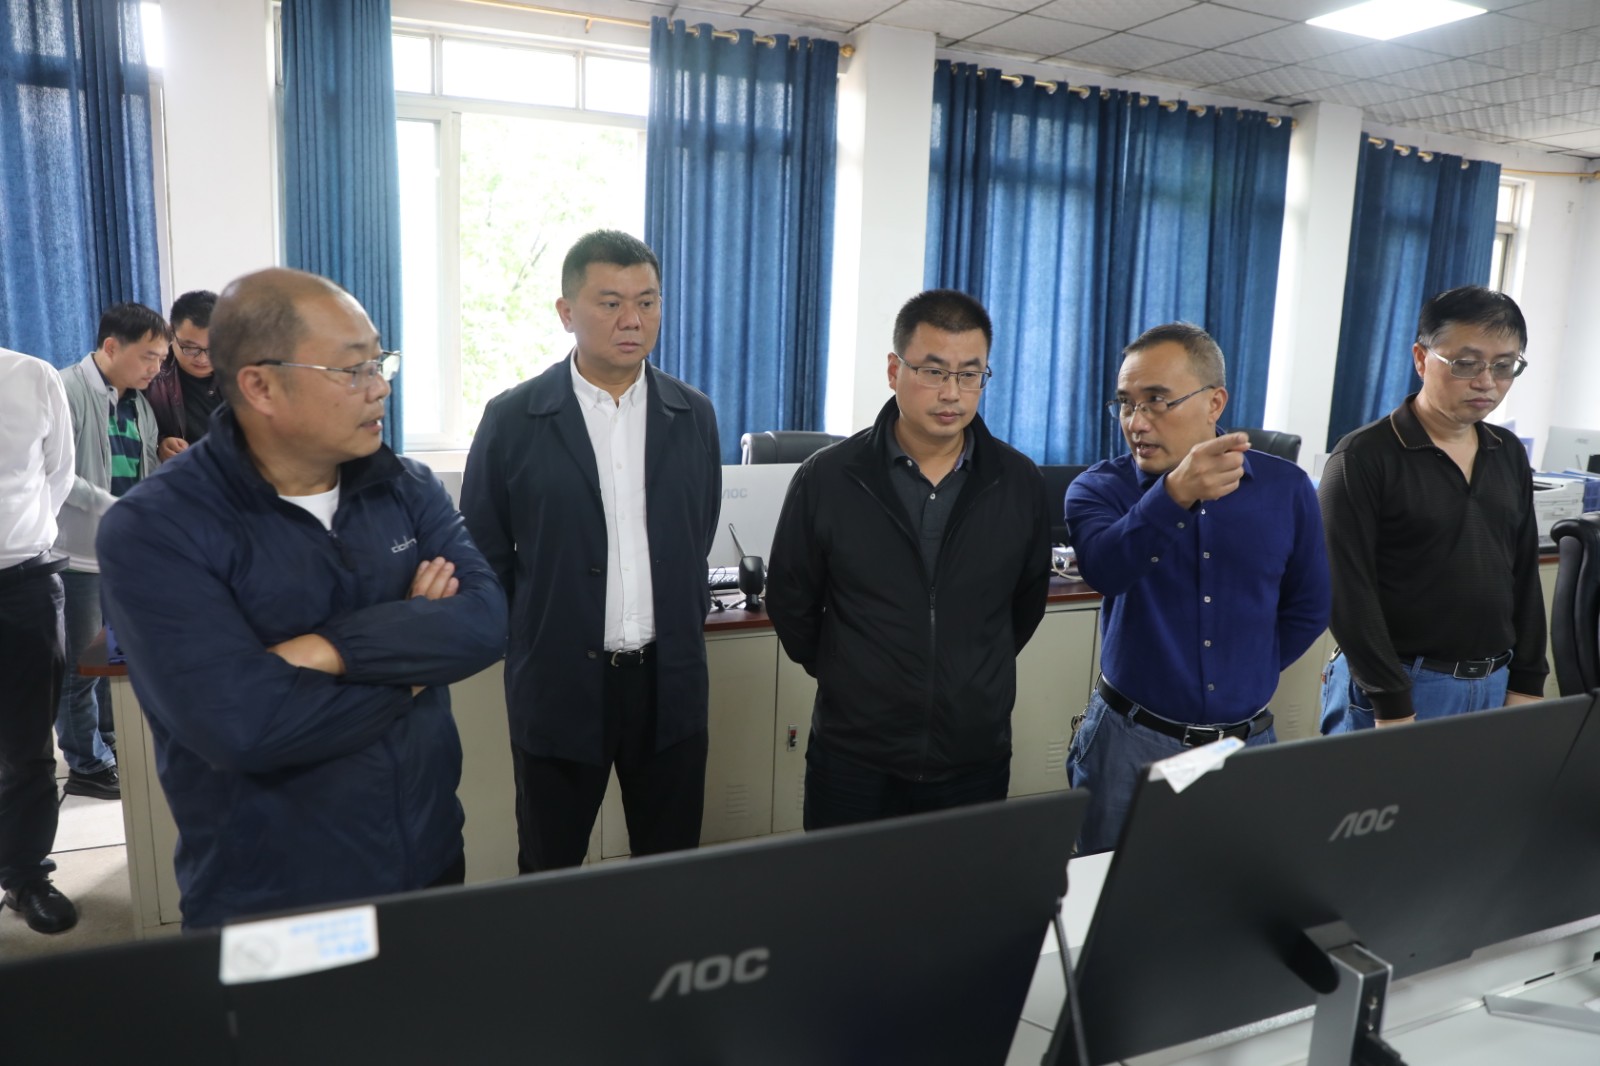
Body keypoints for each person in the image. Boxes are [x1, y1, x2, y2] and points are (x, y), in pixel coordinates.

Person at [96, 268, 506, 928]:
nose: (380, 386)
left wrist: (325, 650)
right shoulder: (156, 527)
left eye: (380, 361)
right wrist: (413, 669)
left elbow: (485, 622)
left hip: (427, 857)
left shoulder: (405, 486)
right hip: (274, 895)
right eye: (352, 369)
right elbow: (244, 727)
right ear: (260, 385)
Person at [461, 230, 721, 873]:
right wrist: (530, 635)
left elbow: (699, 530)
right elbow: (484, 554)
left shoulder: (693, 414)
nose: (632, 319)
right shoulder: (513, 418)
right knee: (550, 868)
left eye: (647, 301)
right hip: (559, 682)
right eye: (610, 303)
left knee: (671, 869)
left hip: (668, 681)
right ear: (566, 312)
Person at [765, 289, 1051, 830]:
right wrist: (850, 672)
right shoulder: (829, 477)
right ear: (895, 370)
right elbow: (790, 600)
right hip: (854, 755)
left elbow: (1024, 605)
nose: (952, 393)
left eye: (970, 374)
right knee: (844, 885)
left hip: (973, 756)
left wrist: (970, 675)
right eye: (933, 371)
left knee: (958, 887)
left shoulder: (1018, 482)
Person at [1065, 322, 1329, 854]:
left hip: (1243, 743)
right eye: (1126, 403)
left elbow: (1309, 606)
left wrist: (1244, 668)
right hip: (1130, 741)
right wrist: (1173, 494)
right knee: (1111, 891)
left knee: (1232, 889)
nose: (1137, 422)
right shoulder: (1098, 489)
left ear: (1215, 402)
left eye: (1157, 401)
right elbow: (1106, 570)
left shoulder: (1285, 488)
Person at [1319, 286, 1546, 731]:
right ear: (1421, 359)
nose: (1486, 382)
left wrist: (1527, 681)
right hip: (1402, 686)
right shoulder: (1363, 457)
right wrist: (1392, 703)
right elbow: (1346, 593)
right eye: (1466, 364)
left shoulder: (1508, 452)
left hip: (1494, 682)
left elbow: (1523, 572)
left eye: (1504, 366)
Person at [54, 303, 168, 801]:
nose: (156, 369)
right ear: (111, 347)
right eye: (148, 357)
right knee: (80, 667)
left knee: (113, 659)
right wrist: (115, 508)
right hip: (75, 554)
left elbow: (145, 469)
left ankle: (109, 738)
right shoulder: (64, 390)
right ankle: (85, 762)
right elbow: (56, 474)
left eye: (161, 359)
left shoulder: (139, 404)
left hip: (122, 555)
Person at [0, 348, 78, 934]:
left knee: (27, 746)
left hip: (22, 584)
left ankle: (26, 877)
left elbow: (59, 474)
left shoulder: (29, 376)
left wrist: (16, 539)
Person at [145, 289, 222, 458]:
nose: (202, 359)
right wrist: (159, 445)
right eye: (191, 348)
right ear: (171, 333)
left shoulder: (242, 374)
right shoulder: (150, 377)